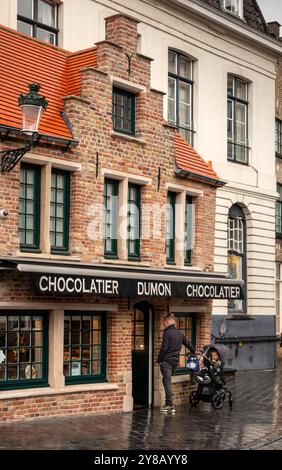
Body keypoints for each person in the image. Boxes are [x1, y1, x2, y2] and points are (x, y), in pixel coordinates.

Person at [157, 313, 195, 414]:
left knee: (167, 382)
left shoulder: (167, 333)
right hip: (175, 362)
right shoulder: (180, 333)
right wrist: (194, 351)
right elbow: (188, 343)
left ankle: (169, 405)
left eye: (165, 323)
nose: (164, 324)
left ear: (169, 322)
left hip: (166, 362)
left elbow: (164, 348)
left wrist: (159, 359)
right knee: (167, 381)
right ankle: (168, 404)